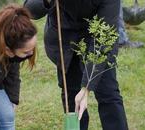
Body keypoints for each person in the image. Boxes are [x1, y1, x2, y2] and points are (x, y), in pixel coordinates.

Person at [24, 0, 128, 130]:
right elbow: (29, 10)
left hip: (97, 38)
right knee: (72, 95)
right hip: (65, 38)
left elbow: (104, 37)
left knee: (108, 93)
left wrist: (86, 88)